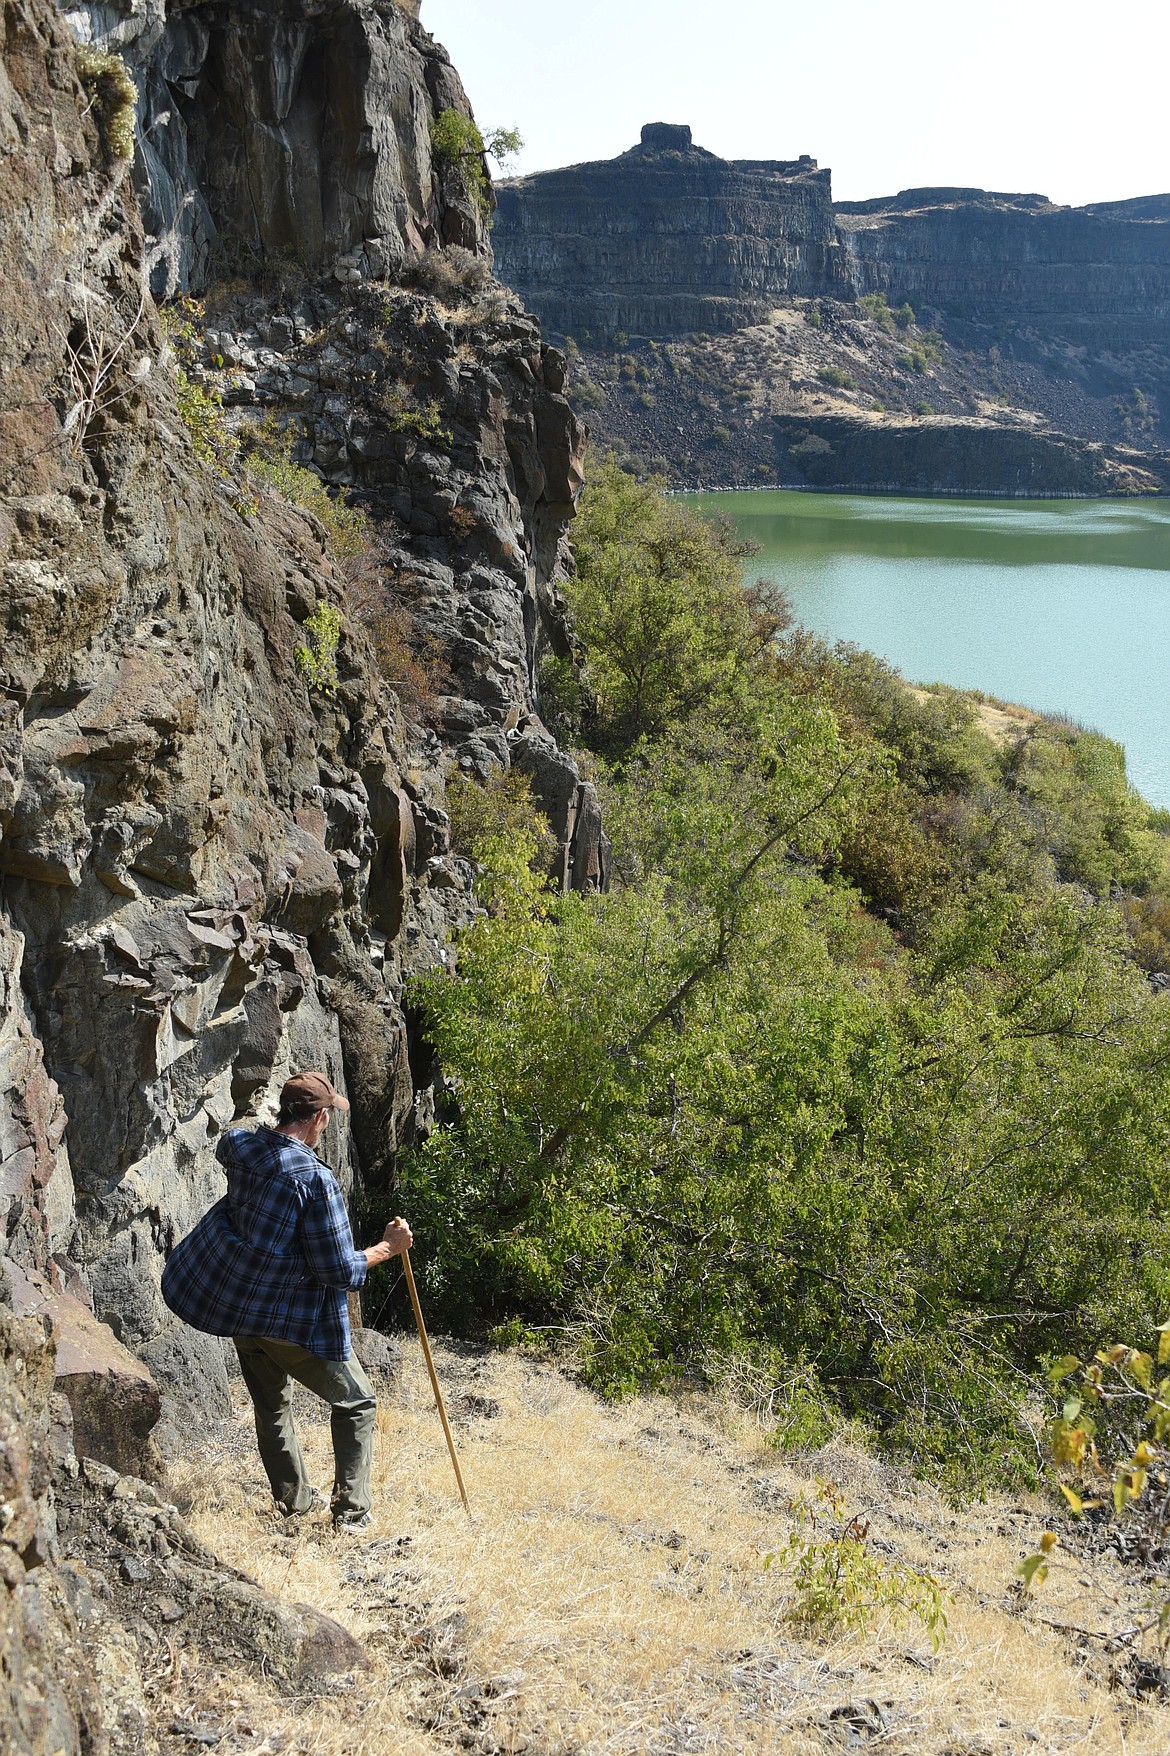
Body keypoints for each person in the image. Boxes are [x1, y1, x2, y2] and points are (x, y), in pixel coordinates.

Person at [162, 1070, 412, 1531]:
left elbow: (232, 1139)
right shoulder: (316, 1182)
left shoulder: (242, 1147)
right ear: (319, 1117)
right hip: (286, 1319)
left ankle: (293, 1500)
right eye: (329, 1114)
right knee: (357, 1402)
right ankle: (352, 1513)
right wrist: (387, 1249)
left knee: (272, 1405)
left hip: (237, 1306)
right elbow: (338, 1270)